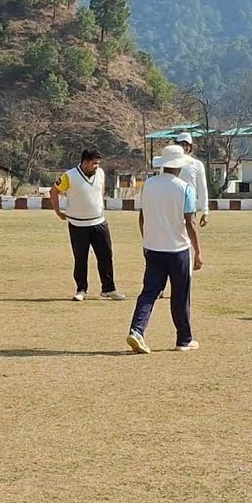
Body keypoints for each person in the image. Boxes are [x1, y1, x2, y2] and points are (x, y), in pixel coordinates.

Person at [127, 145, 203, 354]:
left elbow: (142, 216)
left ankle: (137, 330)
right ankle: (184, 339)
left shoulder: (148, 185)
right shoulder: (185, 188)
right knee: (180, 295)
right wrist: (198, 251)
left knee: (149, 292)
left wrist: (146, 240)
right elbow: (190, 222)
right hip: (178, 249)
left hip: (153, 248)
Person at [50, 149, 127, 301]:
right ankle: (81, 289)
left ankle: (109, 289)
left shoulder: (100, 173)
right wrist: (58, 211)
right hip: (78, 225)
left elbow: (100, 190)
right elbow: (54, 191)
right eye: (94, 163)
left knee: (106, 256)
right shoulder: (69, 176)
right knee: (80, 258)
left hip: (99, 222)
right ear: (85, 163)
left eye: (98, 163)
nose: (97, 166)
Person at [174, 132, 210, 228]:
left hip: (189, 207)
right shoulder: (168, 164)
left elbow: (202, 189)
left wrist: (205, 211)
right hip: (172, 205)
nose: (184, 147)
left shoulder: (196, 164)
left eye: (187, 145)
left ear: (190, 147)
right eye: (181, 144)